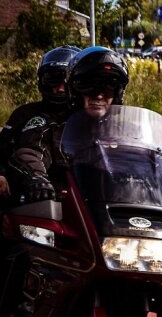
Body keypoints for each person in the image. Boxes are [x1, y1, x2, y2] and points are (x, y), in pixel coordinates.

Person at [7, 46, 129, 201]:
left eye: (108, 87)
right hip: (67, 211)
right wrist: (38, 180)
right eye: (88, 86)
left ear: (118, 93)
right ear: (75, 90)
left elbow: (147, 169)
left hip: (116, 212)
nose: (99, 95)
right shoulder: (51, 127)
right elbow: (31, 152)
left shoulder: (128, 133)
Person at [0, 46, 80, 202]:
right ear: (41, 81)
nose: (60, 88)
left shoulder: (86, 117)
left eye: (66, 81)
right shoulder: (25, 114)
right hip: (33, 196)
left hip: (82, 198)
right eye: (53, 80)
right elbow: (2, 147)